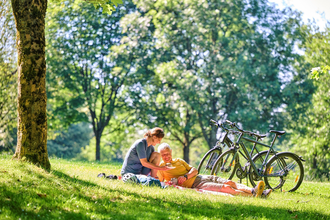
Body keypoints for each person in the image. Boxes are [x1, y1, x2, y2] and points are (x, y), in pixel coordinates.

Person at [157, 143, 272, 198]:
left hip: (200, 177)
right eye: (163, 155)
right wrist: (171, 183)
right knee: (227, 188)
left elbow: (195, 170)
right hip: (198, 184)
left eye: (167, 153)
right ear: (160, 155)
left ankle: (254, 190)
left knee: (230, 182)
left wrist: (186, 176)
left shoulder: (179, 160)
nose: (166, 156)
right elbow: (160, 183)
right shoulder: (161, 168)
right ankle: (257, 195)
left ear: (171, 151)